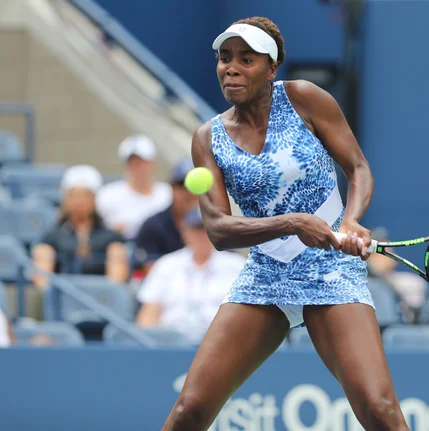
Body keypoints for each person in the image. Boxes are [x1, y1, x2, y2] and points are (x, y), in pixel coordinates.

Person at [161, 17, 409, 431]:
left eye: (246, 58)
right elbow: (220, 231)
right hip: (265, 274)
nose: (231, 67)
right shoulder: (208, 137)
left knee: (379, 409)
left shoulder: (305, 99)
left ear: (272, 68)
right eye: (225, 58)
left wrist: (350, 220)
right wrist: (292, 223)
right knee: (189, 411)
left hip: (332, 268)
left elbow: (358, 168)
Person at [136, 209, 245, 344]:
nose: (201, 235)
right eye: (196, 229)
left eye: (206, 229)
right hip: (170, 345)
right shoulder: (166, 265)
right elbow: (148, 314)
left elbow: (246, 317)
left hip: (222, 345)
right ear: (184, 231)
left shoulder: (237, 266)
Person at [32, 165, 129, 288]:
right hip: (61, 297)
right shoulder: (52, 236)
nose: (79, 201)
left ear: (94, 199)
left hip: (100, 298)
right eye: (73, 195)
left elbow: (117, 280)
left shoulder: (110, 237)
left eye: (85, 195)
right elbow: (42, 278)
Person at [96, 135, 172, 240]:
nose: (138, 168)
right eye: (133, 163)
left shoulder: (168, 193)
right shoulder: (107, 195)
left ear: (153, 162)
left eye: (142, 162)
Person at [134, 158, 198, 275]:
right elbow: (150, 269)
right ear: (172, 188)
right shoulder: (153, 226)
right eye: (181, 184)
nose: (188, 191)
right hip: (166, 290)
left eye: (195, 185)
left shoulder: (215, 225)